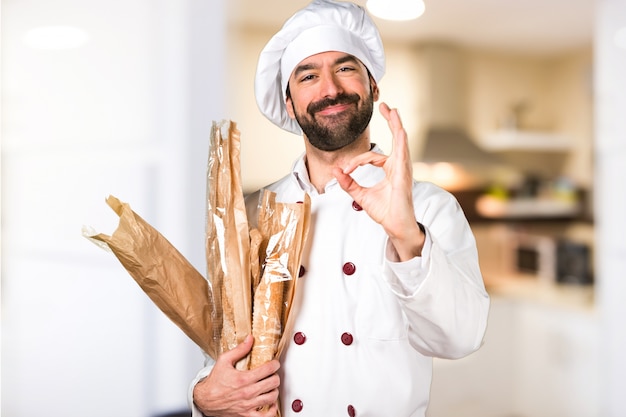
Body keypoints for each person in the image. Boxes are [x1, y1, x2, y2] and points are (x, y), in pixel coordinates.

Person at [189, 1, 490, 416]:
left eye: (346, 69)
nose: (329, 89)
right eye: (308, 75)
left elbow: (461, 338)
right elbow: (223, 353)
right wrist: (202, 396)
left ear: (374, 89)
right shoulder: (254, 212)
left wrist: (406, 235)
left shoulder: (429, 207)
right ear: (290, 104)